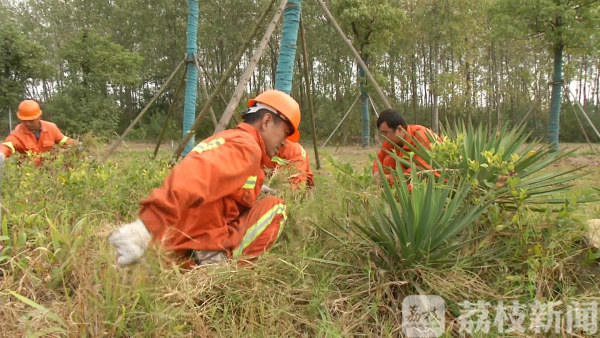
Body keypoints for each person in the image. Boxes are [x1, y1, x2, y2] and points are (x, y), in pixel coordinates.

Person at [108, 89, 301, 267]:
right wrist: (144, 229)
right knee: (276, 207)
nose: (285, 142)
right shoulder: (247, 147)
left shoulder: (229, 139)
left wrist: (258, 188)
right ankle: (226, 271)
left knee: (262, 201)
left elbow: (218, 183)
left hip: (183, 237)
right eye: (285, 133)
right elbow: (194, 176)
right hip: (195, 250)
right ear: (266, 121)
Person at [372, 109, 440, 186]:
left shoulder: (422, 136)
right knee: (388, 160)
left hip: (430, 180)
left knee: (413, 186)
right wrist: (377, 173)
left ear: (400, 129)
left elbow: (422, 170)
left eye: (386, 132)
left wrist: (389, 178)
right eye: (382, 133)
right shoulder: (391, 140)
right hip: (404, 177)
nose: (384, 136)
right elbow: (379, 158)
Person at [0, 100, 78, 166]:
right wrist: (2, 154)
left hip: (51, 173)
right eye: (24, 120)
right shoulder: (17, 133)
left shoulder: (51, 128)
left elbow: (63, 140)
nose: (27, 123)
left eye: (30, 120)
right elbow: (7, 146)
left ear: (39, 117)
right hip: (30, 177)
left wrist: (76, 145)